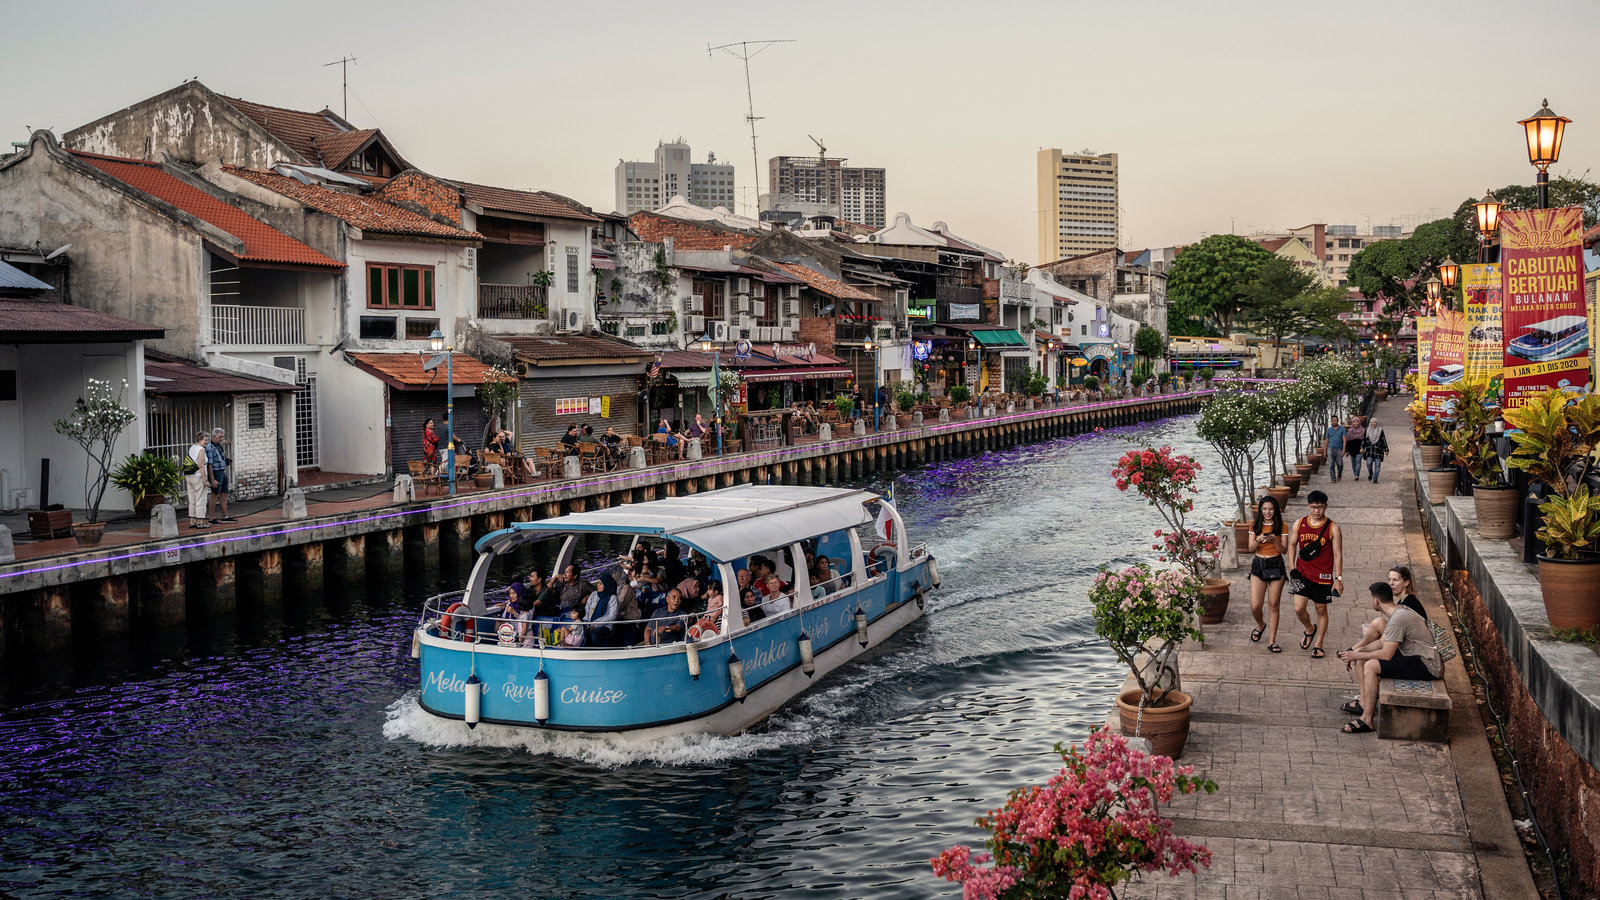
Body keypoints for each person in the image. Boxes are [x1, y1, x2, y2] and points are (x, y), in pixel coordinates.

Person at [1336, 581, 1443, 733]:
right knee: (1364, 658)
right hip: (1414, 656)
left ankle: (1367, 720)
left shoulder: (1398, 619)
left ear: (1376, 601)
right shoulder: (1398, 611)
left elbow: (1386, 654)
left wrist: (1356, 654)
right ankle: (1365, 702)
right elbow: (1381, 642)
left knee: (1371, 665)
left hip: (1427, 664)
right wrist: (1355, 653)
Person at [1287, 490, 1343, 659]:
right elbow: (1292, 545)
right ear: (1308, 506)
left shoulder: (1333, 528)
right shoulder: (1300, 523)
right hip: (1302, 573)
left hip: (1323, 576)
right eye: (1313, 507)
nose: (1316, 511)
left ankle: (1319, 644)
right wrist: (1291, 567)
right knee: (1298, 608)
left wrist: (1338, 579)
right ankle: (1310, 628)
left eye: (1320, 507)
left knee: (1321, 609)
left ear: (1326, 507)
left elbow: (1338, 554)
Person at [1247, 495, 1289, 653]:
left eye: (1270, 509)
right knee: (1255, 605)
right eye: (1264, 509)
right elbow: (1250, 548)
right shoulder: (1255, 524)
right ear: (1260, 510)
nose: (1267, 512)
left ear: (1275, 510)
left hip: (1276, 564)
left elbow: (1284, 551)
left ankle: (1272, 641)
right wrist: (1258, 539)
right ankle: (1260, 625)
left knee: (1273, 605)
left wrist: (1274, 540)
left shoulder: (1282, 526)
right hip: (1258, 565)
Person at [206, 427, 234, 523]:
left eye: (222, 436)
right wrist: (212, 479)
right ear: (214, 436)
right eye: (220, 436)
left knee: (224, 493)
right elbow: (210, 464)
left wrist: (226, 462)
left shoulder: (218, 446)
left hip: (222, 471)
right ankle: (211, 517)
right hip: (216, 472)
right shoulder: (210, 447)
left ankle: (225, 516)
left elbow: (220, 459)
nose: (221, 438)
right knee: (215, 494)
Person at [185, 432, 212, 529]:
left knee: (192, 499)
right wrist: (205, 480)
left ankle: (192, 521)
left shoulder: (192, 448)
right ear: (200, 440)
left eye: (207, 440)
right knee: (200, 499)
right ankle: (200, 521)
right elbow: (201, 465)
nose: (207, 442)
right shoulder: (201, 450)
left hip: (189, 476)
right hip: (198, 476)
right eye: (205, 440)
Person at [1364, 418, 1389, 483]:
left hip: (1378, 451)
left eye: (1374, 422)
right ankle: (1370, 474)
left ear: (1376, 423)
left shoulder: (1380, 431)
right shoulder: (1367, 430)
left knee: (1377, 465)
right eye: (1371, 422)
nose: (1373, 423)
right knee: (1368, 463)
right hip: (1370, 451)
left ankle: (1375, 479)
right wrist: (1362, 447)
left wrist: (1386, 449)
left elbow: (1383, 440)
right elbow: (1364, 440)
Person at [1324, 416, 1347, 482]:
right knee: (1331, 464)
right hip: (1330, 448)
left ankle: (1339, 474)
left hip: (1339, 448)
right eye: (1333, 420)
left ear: (1338, 420)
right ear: (1331, 421)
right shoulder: (1329, 430)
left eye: (1335, 420)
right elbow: (1326, 440)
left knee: (1340, 464)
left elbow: (1344, 440)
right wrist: (1325, 450)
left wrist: (1344, 449)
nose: (1334, 421)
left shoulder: (1342, 429)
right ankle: (1333, 478)